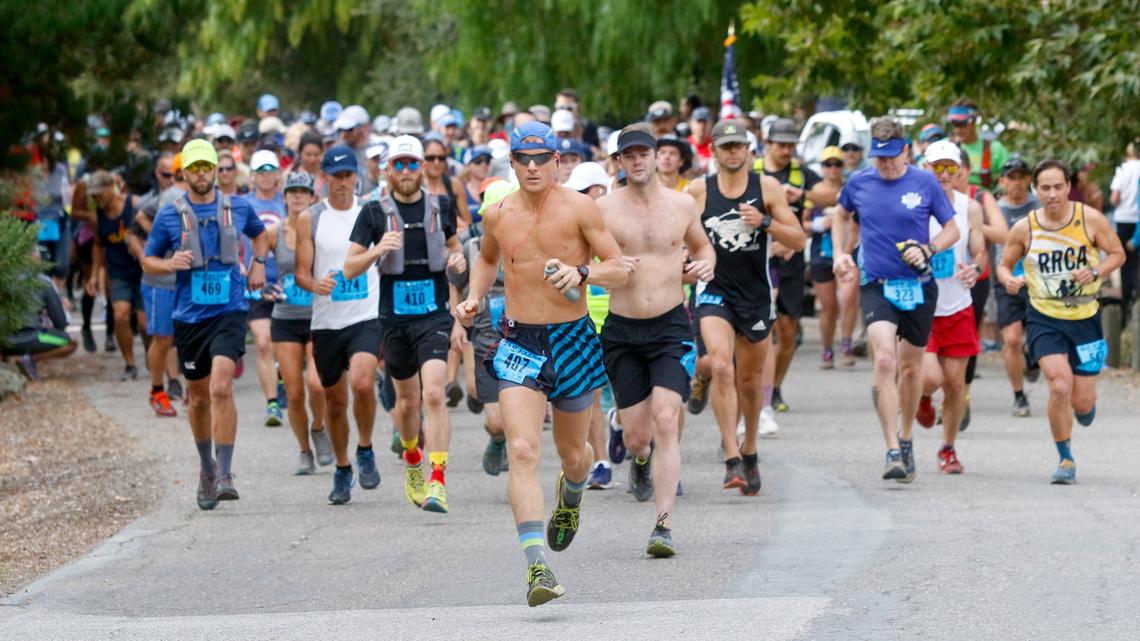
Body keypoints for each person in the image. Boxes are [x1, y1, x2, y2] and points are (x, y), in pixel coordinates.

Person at [453, 121, 628, 606]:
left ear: (557, 162)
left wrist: (583, 271)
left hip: (572, 339)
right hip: (519, 341)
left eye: (541, 159)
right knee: (524, 449)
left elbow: (619, 268)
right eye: (523, 160)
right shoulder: (498, 213)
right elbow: (487, 260)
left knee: (577, 458)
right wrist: (472, 298)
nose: (532, 167)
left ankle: (570, 497)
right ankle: (537, 566)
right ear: (512, 163)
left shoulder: (580, 208)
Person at [596, 125, 715, 556]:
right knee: (636, 438)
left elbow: (703, 248)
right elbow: (584, 262)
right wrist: (607, 267)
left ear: (656, 156)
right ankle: (639, 463)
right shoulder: (604, 209)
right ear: (620, 162)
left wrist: (705, 266)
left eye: (644, 153)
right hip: (623, 331)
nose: (638, 161)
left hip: (670, 327)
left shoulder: (682, 205)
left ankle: (662, 526)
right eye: (629, 155)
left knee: (668, 419)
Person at [142, 139, 269, 510]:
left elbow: (260, 234)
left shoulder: (238, 206)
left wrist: (258, 263)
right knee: (197, 398)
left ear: (216, 170)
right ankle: (206, 469)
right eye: (193, 167)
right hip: (189, 315)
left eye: (206, 167)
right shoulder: (170, 214)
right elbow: (148, 260)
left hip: (229, 310)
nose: (200, 173)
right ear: (184, 172)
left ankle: (226, 473)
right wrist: (169, 264)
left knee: (219, 386)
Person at [831, 118, 959, 482]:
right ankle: (891, 450)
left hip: (918, 284)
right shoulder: (859, 182)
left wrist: (929, 247)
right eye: (879, 158)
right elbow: (841, 214)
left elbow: (952, 229)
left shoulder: (925, 182)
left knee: (911, 369)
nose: (885, 165)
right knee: (885, 360)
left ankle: (905, 438)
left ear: (906, 150)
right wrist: (842, 252)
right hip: (876, 282)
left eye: (891, 157)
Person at [344, 135, 467, 514]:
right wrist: (378, 250)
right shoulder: (373, 212)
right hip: (395, 319)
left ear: (424, 168)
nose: (406, 171)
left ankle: (438, 481)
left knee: (434, 393)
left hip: (433, 315)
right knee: (407, 401)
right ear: (388, 170)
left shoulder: (441, 206)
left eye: (412, 164)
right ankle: (413, 455)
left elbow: (453, 247)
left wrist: (458, 259)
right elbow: (349, 268)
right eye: (398, 164)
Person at [685, 119, 803, 494]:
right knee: (721, 365)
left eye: (739, 146)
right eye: (726, 146)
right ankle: (732, 457)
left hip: (755, 294)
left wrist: (766, 221)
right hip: (714, 289)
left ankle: (750, 448)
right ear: (714, 152)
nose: (733, 152)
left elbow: (798, 239)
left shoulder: (766, 187)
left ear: (749, 151)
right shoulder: (698, 191)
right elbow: (678, 240)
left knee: (749, 382)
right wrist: (683, 267)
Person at [996, 159, 1125, 484]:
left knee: (1082, 403)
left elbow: (1117, 254)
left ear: (1068, 187)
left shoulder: (1089, 219)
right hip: (1044, 315)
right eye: (1045, 188)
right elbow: (1004, 264)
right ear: (1035, 190)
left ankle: (1082, 410)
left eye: (1058, 187)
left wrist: (1095, 271)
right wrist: (1008, 280)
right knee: (1059, 384)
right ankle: (1065, 459)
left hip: (1085, 317)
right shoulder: (1025, 227)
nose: (1052, 194)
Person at [294, 146, 383, 505]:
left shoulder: (371, 212)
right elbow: (301, 271)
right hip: (327, 320)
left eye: (348, 176)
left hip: (365, 314)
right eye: (336, 176)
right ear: (324, 178)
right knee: (333, 401)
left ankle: (365, 447)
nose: (343, 183)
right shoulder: (310, 218)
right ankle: (343, 466)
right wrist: (314, 284)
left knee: (362, 383)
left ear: (356, 177)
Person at [754, 117, 838, 421]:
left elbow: (833, 195)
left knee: (789, 330)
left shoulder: (800, 174)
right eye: (781, 144)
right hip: (757, 258)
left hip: (791, 258)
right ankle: (757, 389)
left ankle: (775, 387)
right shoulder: (753, 171)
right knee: (765, 328)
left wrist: (801, 195)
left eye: (791, 144)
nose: (787, 149)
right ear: (768, 145)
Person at [913, 140, 987, 474]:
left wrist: (975, 267)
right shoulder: (913, 204)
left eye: (949, 167)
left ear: (958, 170)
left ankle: (948, 449)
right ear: (925, 168)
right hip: (922, 304)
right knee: (931, 377)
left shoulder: (969, 207)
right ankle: (923, 397)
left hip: (958, 305)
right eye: (936, 167)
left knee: (956, 383)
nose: (943, 174)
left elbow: (980, 251)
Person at [449, 180, 517, 476]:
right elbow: (455, 285)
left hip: (522, 340)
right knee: (495, 419)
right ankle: (498, 438)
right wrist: (457, 324)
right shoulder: (472, 246)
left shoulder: (527, 244)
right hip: (485, 338)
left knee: (520, 418)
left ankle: (519, 469)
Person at [268, 171, 333, 475]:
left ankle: (319, 427)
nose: (297, 197)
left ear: (312, 197)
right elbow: (254, 260)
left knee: (316, 385)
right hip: (284, 319)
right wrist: (257, 282)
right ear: (284, 197)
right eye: (291, 191)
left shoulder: (320, 229)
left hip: (317, 316)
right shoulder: (273, 232)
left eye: (302, 192)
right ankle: (304, 450)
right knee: (293, 393)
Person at [989, 157, 1042, 416]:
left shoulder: (1040, 205)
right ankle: (1019, 396)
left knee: (1036, 338)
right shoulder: (996, 210)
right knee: (1011, 339)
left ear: (1028, 180)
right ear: (1002, 181)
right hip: (1007, 278)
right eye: (1011, 177)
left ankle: (1032, 359)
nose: (1016, 183)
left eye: (1021, 176)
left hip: (1038, 280)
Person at [86, 170, 146, 382]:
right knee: (120, 315)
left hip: (143, 269)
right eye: (93, 196)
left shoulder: (135, 203)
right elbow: (98, 246)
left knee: (143, 322)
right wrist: (94, 275)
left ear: (111, 188)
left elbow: (155, 228)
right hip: (118, 271)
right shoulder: (99, 216)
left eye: (99, 194)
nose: (96, 199)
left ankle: (152, 354)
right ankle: (129, 364)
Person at [243, 149, 288, 426]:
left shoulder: (289, 202)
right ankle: (272, 403)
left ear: (278, 174)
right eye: (260, 170)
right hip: (256, 284)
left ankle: (282, 377)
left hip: (286, 284)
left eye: (270, 169)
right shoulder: (242, 205)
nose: (266, 175)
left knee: (284, 345)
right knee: (262, 342)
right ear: (252, 176)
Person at [806, 146, 859, 368]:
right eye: (828, 164)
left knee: (847, 299)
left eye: (837, 164)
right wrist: (819, 224)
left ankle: (846, 343)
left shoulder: (850, 189)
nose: (833, 169)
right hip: (822, 254)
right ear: (821, 167)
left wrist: (846, 249)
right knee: (828, 306)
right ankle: (827, 349)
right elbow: (803, 224)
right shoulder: (814, 191)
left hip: (847, 251)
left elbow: (857, 221)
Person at [1, 268, 77, 381]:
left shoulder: (4, 278)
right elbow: (60, 322)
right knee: (69, 342)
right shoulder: (42, 281)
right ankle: (31, 359)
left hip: (3, 341)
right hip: (33, 338)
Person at [947, 98, 1009, 189]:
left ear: (975, 120)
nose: (958, 129)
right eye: (955, 124)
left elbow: (1010, 179)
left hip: (985, 200)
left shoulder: (995, 149)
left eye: (963, 123)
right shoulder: (944, 147)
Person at [1109, 140, 1140, 309]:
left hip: (1124, 219)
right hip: (1138, 219)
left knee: (1126, 263)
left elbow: (1115, 198)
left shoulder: (1123, 169)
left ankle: (1128, 303)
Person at [686, 108, 713, 174]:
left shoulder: (717, 146)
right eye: (699, 122)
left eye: (705, 122)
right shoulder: (684, 145)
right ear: (691, 123)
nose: (702, 126)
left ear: (711, 124)